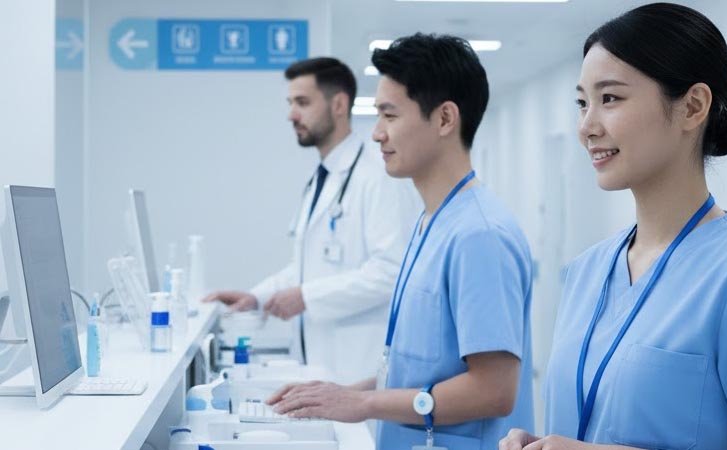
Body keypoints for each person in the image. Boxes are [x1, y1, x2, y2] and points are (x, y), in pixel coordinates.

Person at [500, 3, 727, 450]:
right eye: (583, 103)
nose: (586, 127)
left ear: (693, 107)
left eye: (610, 98)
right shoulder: (586, 271)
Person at [266, 33, 535, 450]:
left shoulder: (480, 235)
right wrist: (346, 395)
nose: (376, 135)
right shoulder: (432, 222)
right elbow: (425, 367)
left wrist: (367, 403)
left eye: (389, 116)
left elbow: (493, 390)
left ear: (445, 119)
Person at [203, 57, 419, 384]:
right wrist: (257, 297)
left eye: (302, 103)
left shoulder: (377, 176)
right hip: (321, 368)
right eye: (290, 103)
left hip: (359, 372)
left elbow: (392, 272)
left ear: (339, 104)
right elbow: (309, 267)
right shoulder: (322, 179)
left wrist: (306, 296)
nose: (291, 114)